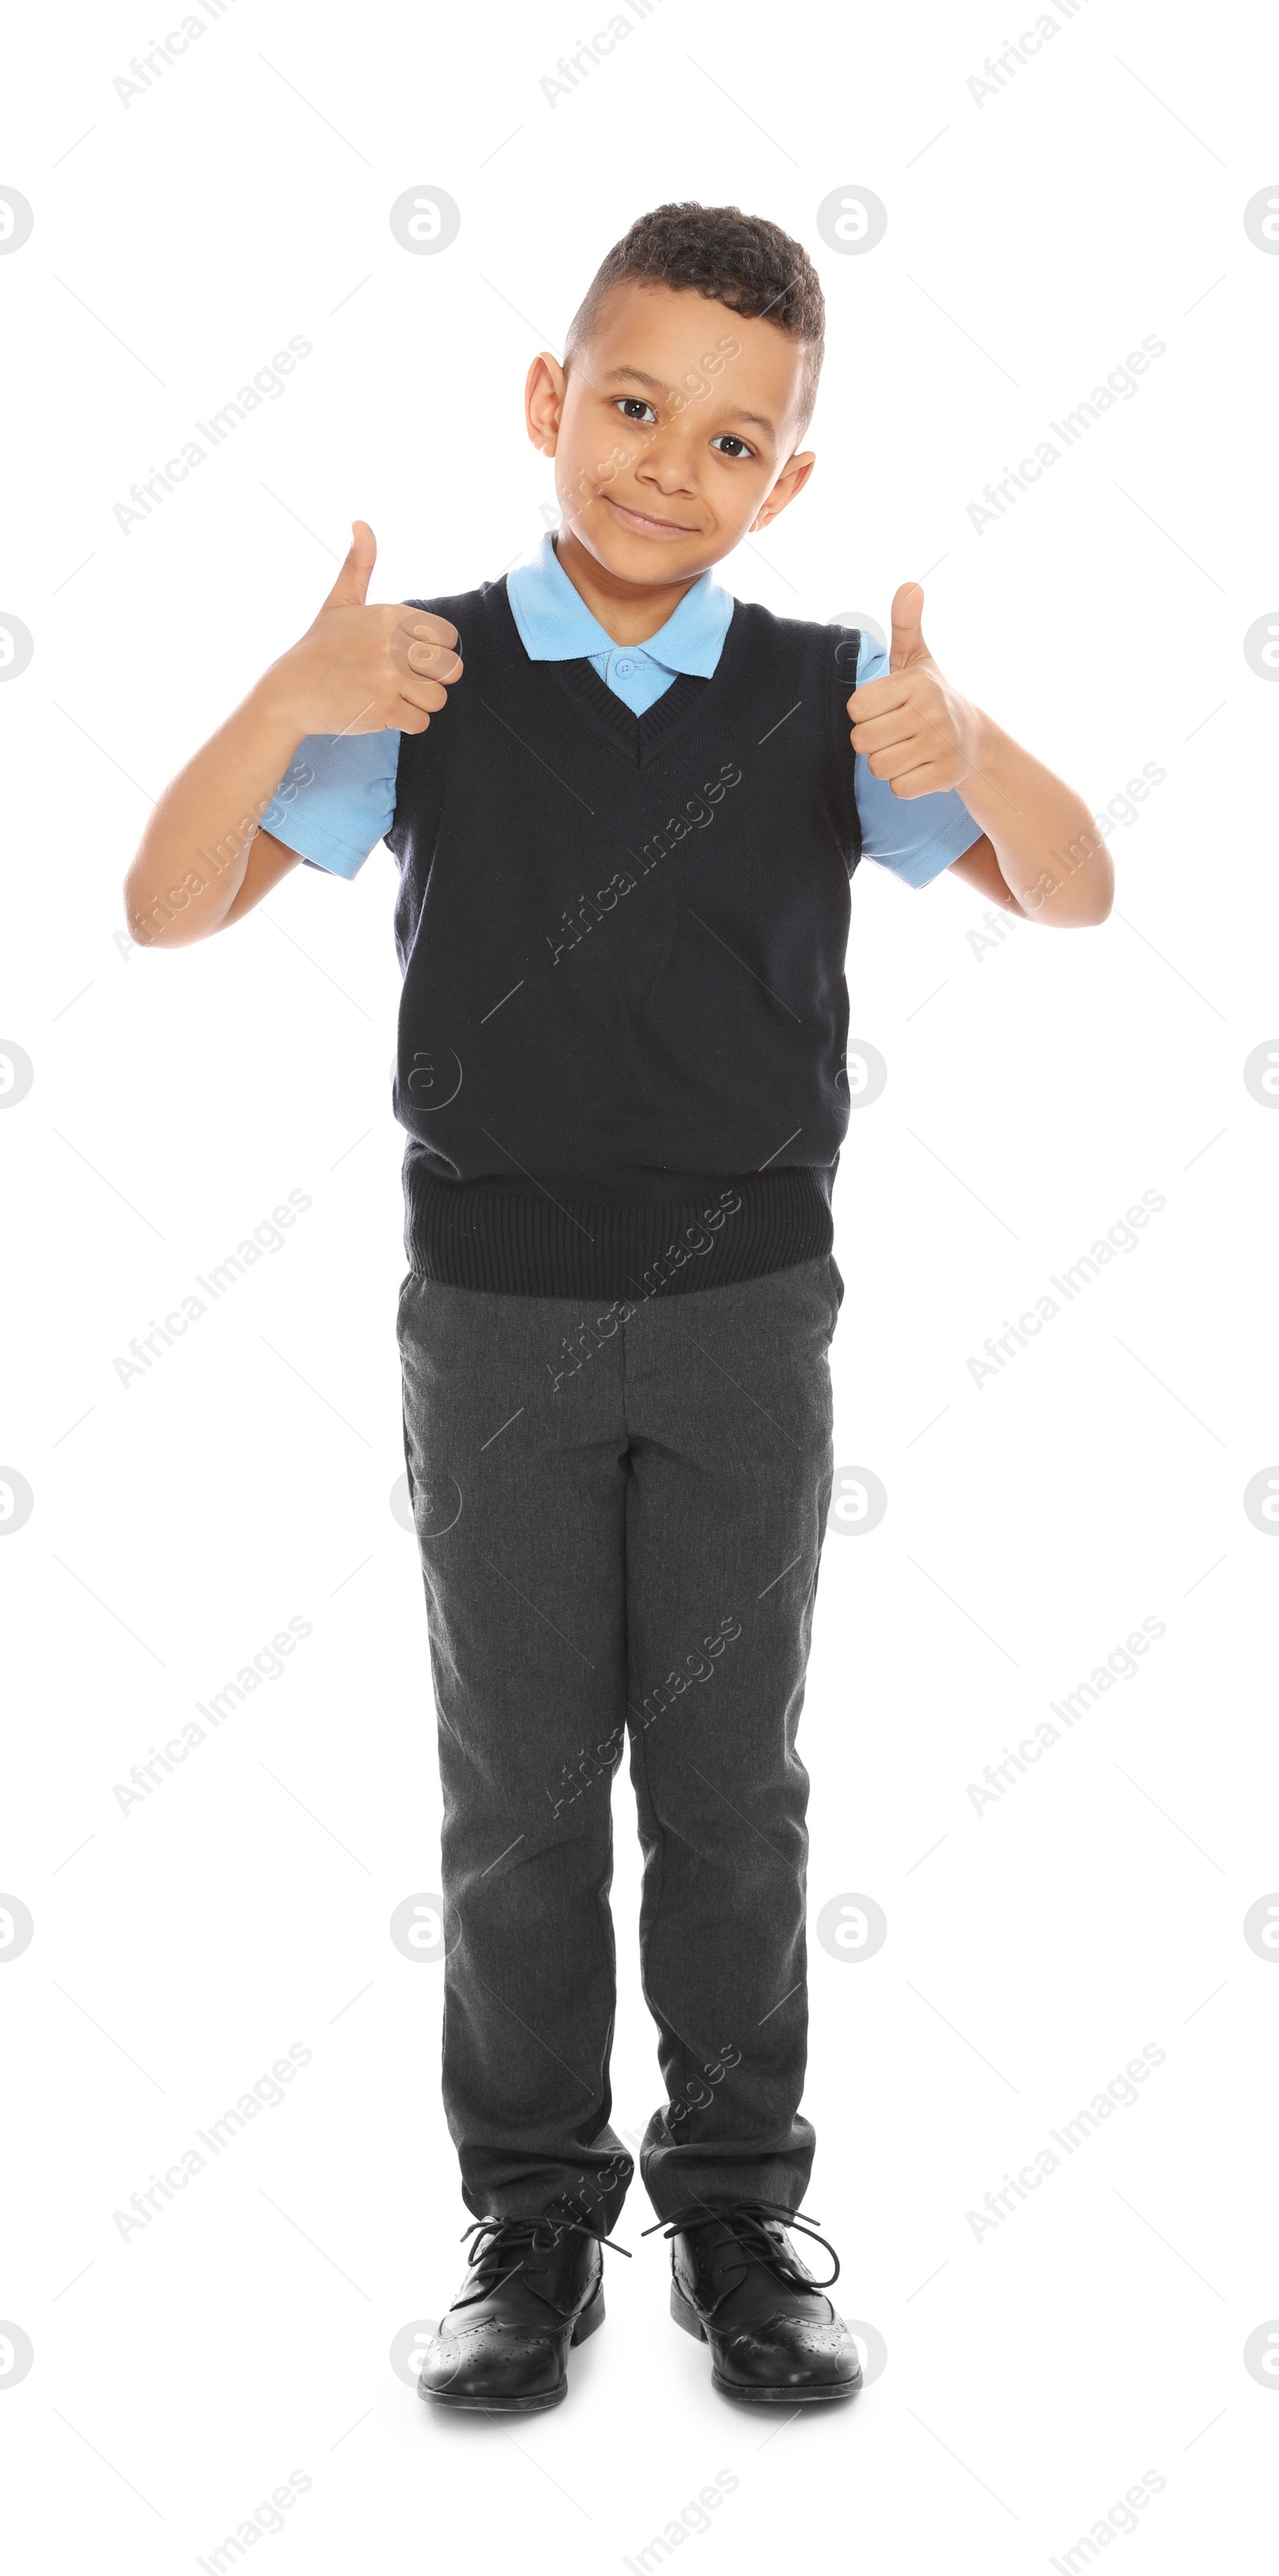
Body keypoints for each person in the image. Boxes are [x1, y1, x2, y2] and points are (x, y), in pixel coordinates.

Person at [124, 201, 1112, 2414]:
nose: (672, 465)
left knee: (730, 1785)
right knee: (522, 1788)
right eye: (636, 407)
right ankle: (537, 2221)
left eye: (734, 438)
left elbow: (1077, 888)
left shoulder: (826, 697)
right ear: (551, 403)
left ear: (790, 481)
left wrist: (968, 746)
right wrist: (290, 689)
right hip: (491, 1317)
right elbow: (169, 905)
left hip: (750, 1313)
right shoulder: (429, 677)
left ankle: (742, 2209)